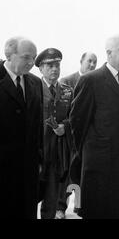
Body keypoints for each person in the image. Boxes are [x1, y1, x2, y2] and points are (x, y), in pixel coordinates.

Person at [69, 34, 119, 219]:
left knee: (118, 211)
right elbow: (78, 123)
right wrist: (87, 154)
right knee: (97, 211)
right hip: (99, 165)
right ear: (109, 53)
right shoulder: (91, 80)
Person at [0, 37, 43, 218]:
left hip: (28, 171)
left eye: (33, 58)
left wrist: (40, 159)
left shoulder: (35, 82)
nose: (32, 63)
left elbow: (38, 124)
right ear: (9, 55)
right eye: (26, 57)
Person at [36, 48, 74, 219]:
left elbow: (74, 117)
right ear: (41, 68)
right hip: (37, 149)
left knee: (52, 195)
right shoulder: (32, 88)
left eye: (57, 65)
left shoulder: (68, 91)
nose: (54, 69)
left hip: (58, 151)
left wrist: (64, 126)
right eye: (49, 65)